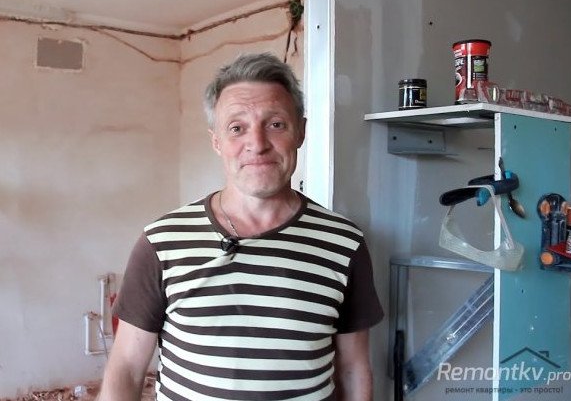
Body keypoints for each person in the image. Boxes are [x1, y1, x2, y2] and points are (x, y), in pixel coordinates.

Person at [98, 52, 383, 401]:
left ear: (301, 131)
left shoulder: (344, 244)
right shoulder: (162, 242)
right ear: (217, 141)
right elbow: (127, 367)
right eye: (237, 128)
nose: (257, 144)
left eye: (276, 124)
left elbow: (353, 368)